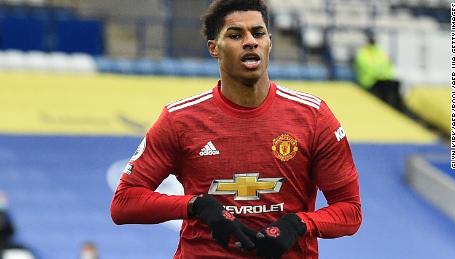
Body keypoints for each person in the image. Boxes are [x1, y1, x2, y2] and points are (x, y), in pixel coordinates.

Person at [110, 1, 362, 258]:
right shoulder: (179, 120)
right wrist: (195, 205)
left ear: (270, 42)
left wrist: (300, 224)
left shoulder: (314, 116)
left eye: (258, 33)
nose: (250, 41)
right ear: (214, 48)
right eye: (235, 35)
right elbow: (124, 203)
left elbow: (350, 210)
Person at [354, 30, 404, 111]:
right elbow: (366, 67)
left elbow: (388, 65)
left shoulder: (380, 52)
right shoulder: (362, 53)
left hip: (383, 81)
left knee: (394, 86)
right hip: (369, 82)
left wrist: (384, 75)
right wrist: (379, 73)